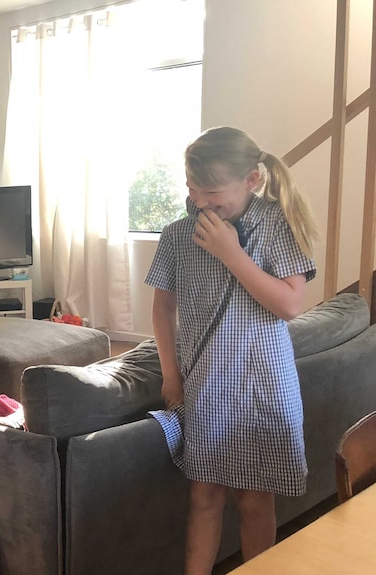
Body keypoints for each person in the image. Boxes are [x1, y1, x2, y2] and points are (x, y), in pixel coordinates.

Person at [146, 126, 318, 574]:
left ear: (252, 181)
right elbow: (162, 309)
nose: (201, 201)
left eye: (213, 191)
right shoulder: (178, 234)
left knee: (255, 498)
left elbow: (291, 304)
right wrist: (170, 375)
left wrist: (232, 253)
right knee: (204, 495)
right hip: (205, 384)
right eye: (192, 189)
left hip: (263, 387)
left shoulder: (277, 224)